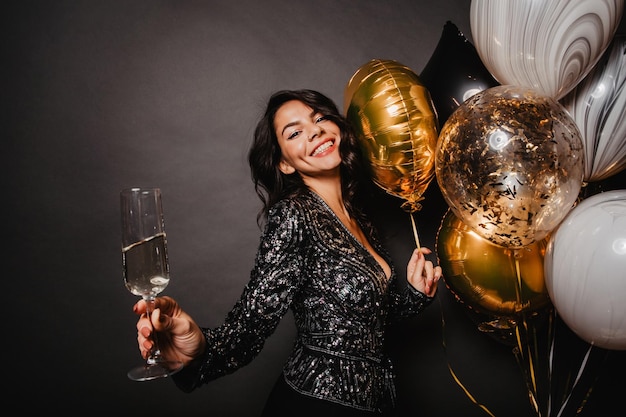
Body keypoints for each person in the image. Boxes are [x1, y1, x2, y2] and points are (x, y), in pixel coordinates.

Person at [133, 89, 442, 416]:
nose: (315, 131)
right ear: (284, 163)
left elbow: (363, 322)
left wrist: (413, 294)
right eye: (295, 132)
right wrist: (196, 350)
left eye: (320, 118)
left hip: (378, 403)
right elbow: (249, 325)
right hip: (315, 405)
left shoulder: (357, 217)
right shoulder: (295, 216)